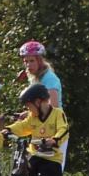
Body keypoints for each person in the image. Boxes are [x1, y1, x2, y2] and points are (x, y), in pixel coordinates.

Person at [18, 40, 67, 169]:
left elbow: (54, 105)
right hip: (40, 127)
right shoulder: (34, 78)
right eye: (25, 61)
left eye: (32, 61)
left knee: (53, 171)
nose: (28, 65)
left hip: (54, 128)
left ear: (40, 60)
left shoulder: (49, 78)